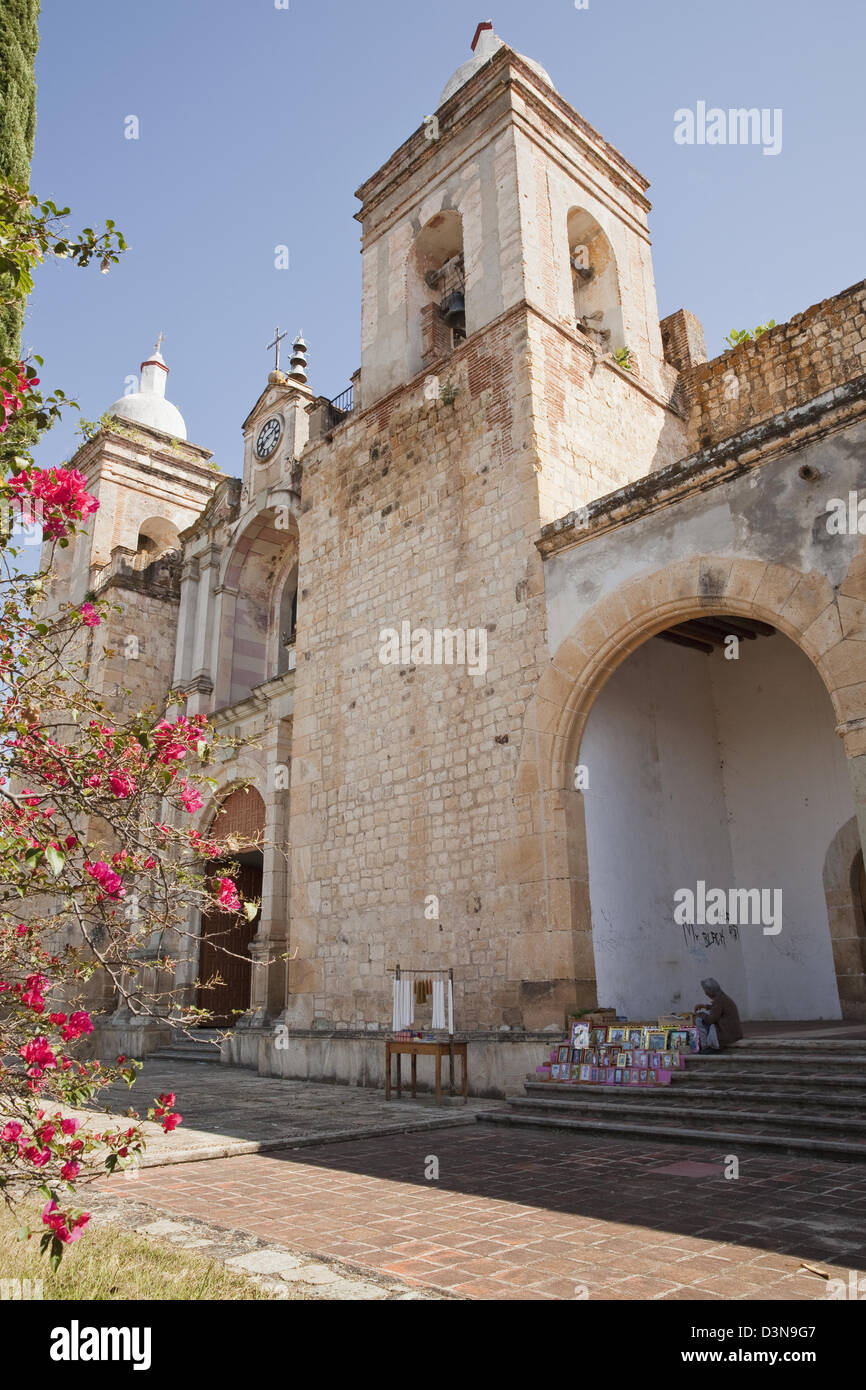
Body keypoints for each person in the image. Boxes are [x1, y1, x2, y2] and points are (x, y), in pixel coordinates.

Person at [693, 977, 743, 1051]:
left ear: (711, 991)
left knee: (699, 1020)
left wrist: (699, 1015)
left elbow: (711, 1020)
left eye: (706, 991)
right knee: (704, 1017)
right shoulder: (722, 997)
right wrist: (705, 1006)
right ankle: (706, 1046)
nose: (706, 994)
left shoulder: (719, 1000)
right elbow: (717, 1009)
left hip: (728, 1034)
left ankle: (706, 1047)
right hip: (734, 1033)